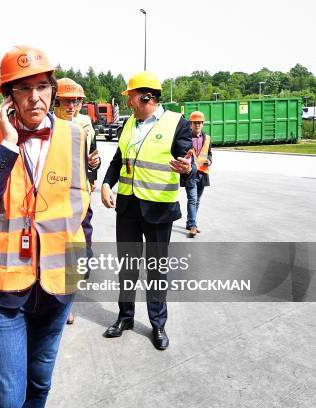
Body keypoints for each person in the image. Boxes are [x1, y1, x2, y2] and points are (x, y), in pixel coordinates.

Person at [0, 45, 92, 407]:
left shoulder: (75, 136)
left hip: (57, 285)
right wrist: (7, 146)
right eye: (24, 88)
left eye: (43, 87)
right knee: (7, 397)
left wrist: (82, 261)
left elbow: (81, 209)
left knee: (40, 383)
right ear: (8, 97)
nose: (35, 98)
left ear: (53, 90)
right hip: (4, 288)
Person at [100, 71, 193, 350]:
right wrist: (106, 183)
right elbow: (118, 159)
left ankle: (158, 324)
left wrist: (188, 170)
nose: (127, 102)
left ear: (146, 96)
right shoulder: (129, 123)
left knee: (156, 270)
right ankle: (125, 317)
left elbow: (186, 163)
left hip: (158, 209)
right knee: (127, 267)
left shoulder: (177, 123)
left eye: (130, 96)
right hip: (127, 207)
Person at [53, 78, 101, 325]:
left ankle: (68, 297)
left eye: (77, 101)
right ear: (56, 102)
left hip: (82, 200)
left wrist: (95, 167)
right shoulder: (48, 127)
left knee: (81, 253)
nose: (72, 106)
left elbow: (92, 156)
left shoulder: (85, 124)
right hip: (55, 201)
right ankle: (62, 306)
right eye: (67, 101)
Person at [182, 110, 212, 238]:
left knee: (197, 200)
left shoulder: (207, 138)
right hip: (190, 173)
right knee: (192, 199)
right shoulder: (185, 138)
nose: (198, 125)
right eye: (195, 123)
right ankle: (193, 225)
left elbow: (209, 153)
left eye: (200, 123)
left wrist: (209, 161)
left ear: (203, 124)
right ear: (191, 124)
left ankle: (190, 222)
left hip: (203, 174)